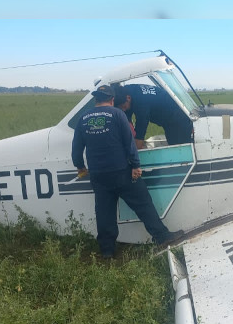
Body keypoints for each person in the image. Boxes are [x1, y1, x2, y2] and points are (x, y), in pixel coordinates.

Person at [72, 84, 182, 258]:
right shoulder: (117, 114)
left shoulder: (83, 118)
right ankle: (162, 237)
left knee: (104, 212)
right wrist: (136, 165)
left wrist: (80, 166)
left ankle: (107, 251)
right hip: (121, 172)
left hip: (98, 175)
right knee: (144, 204)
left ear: (96, 99)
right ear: (112, 99)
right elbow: (129, 143)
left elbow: (77, 148)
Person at [113, 84, 194, 149]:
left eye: (123, 106)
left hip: (177, 120)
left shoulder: (140, 102)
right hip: (169, 119)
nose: (123, 110)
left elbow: (141, 129)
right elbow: (127, 117)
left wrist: (136, 151)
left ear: (128, 98)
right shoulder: (125, 91)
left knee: (179, 149)